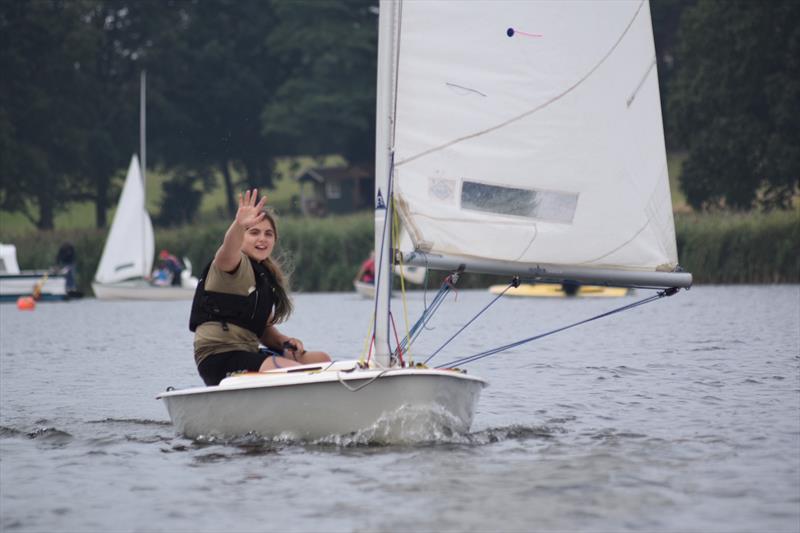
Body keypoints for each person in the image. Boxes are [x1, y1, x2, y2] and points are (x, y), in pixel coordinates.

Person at [190, 189, 331, 386]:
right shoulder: (230, 264)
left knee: (320, 360)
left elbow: (263, 330)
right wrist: (239, 225)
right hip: (219, 358)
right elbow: (228, 247)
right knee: (289, 372)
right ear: (242, 237)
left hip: (249, 353)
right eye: (254, 232)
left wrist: (284, 341)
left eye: (268, 234)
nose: (262, 239)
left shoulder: (265, 275)